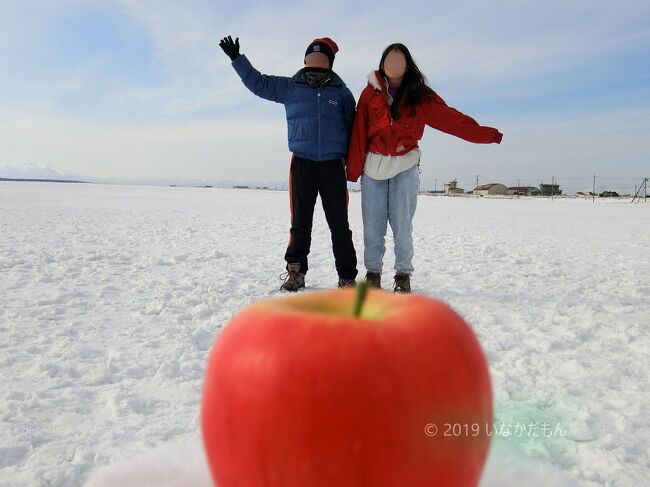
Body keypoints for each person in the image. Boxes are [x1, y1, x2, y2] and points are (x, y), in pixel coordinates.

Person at [347, 43, 502, 293]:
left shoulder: (420, 95)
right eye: (389, 59)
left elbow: (451, 119)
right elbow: (359, 132)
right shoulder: (369, 94)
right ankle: (373, 273)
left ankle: (402, 275)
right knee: (372, 225)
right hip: (374, 167)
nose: (394, 64)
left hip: (405, 165)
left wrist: (487, 135)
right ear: (382, 64)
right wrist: (353, 170)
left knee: (402, 224)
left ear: (407, 64)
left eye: (399, 59)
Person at [219, 35, 358, 291]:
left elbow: (354, 130)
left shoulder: (341, 93)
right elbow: (259, 83)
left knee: (339, 225)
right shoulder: (290, 87)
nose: (315, 60)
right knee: (300, 223)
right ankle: (295, 271)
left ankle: (347, 277)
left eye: (321, 56)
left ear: (330, 62)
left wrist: (354, 164)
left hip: (333, 166)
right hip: (302, 164)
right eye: (311, 56)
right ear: (304, 60)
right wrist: (237, 59)